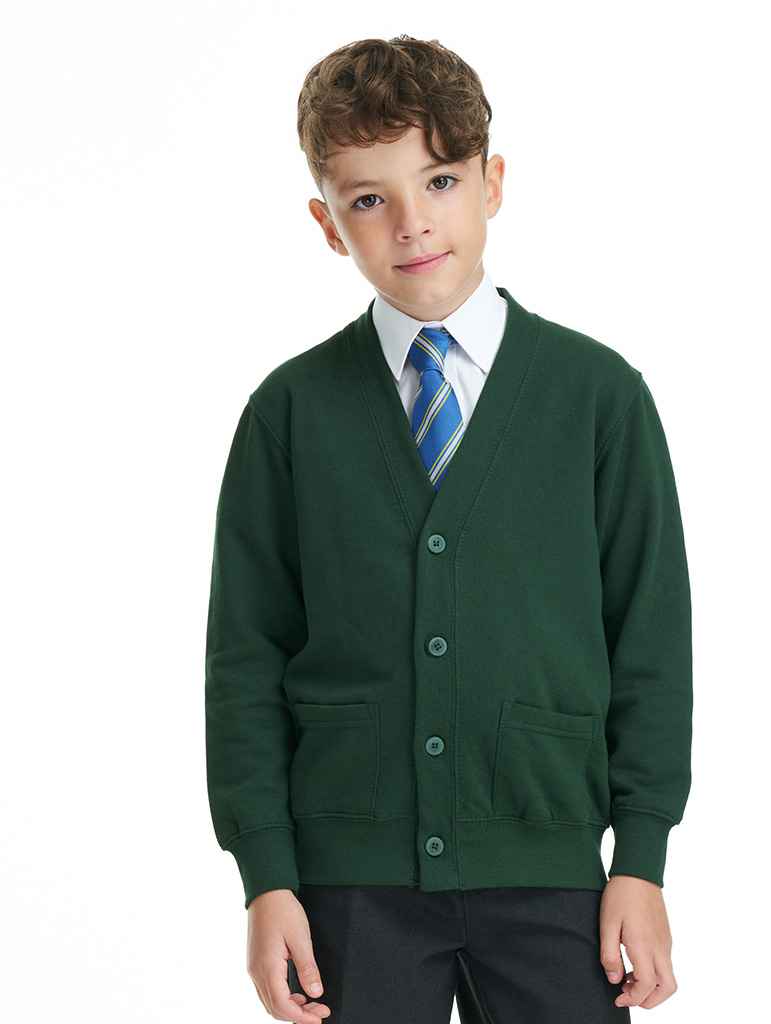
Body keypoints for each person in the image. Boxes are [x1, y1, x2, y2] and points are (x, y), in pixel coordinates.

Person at [205, 33, 693, 1023]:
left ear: (491, 183)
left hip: (553, 869)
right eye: (368, 199)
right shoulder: (289, 414)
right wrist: (267, 878)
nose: (411, 223)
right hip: (351, 883)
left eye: (438, 181)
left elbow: (648, 641)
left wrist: (640, 858)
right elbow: (246, 658)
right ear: (327, 223)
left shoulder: (598, 398)